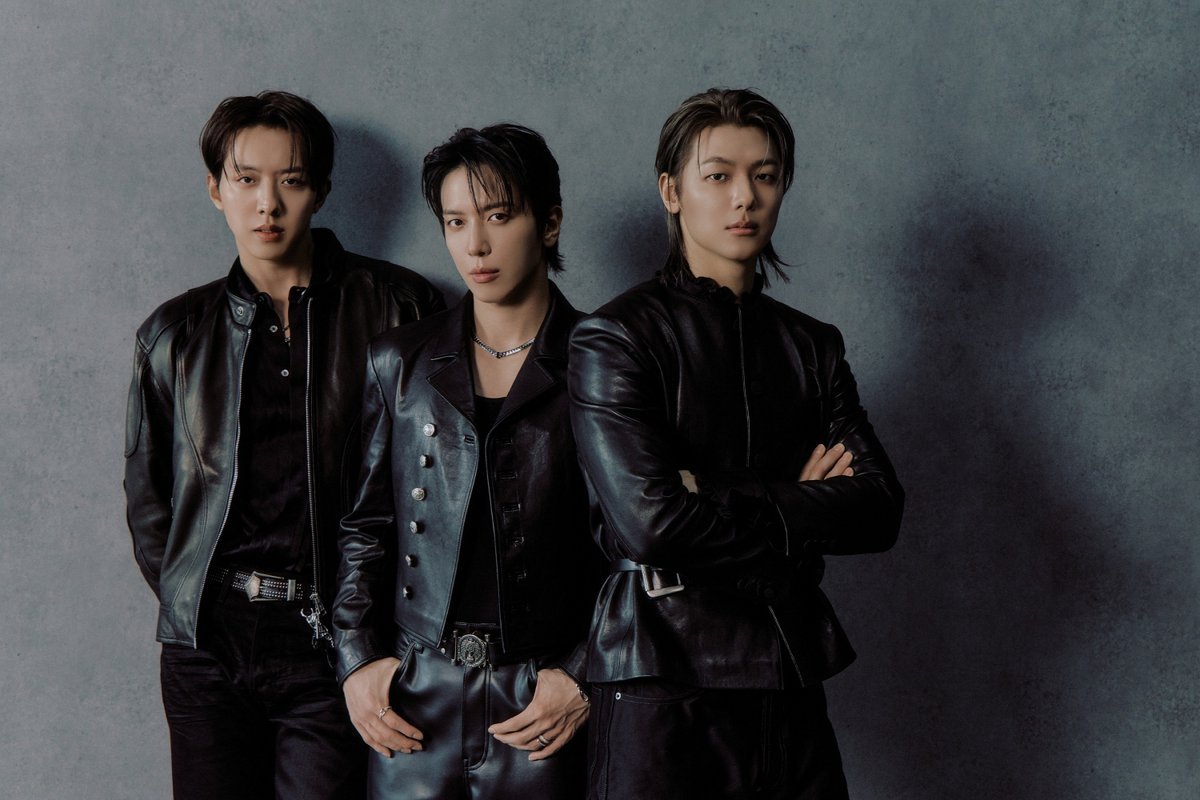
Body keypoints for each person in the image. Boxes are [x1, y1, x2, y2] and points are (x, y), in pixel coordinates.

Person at [568, 88, 905, 799]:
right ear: (671, 191)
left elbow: (879, 509)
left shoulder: (812, 345)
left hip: (788, 672)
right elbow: (651, 524)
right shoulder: (616, 338)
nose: (745, 197)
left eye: (765, 175)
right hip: (661, 682)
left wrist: (712, 491)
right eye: (718, 175)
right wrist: (801, 504)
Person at [123, 90, 444, 799]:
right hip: (208, 648)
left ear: (321, 191)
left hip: (338, 641)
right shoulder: (172, 336)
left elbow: (431, 486)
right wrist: (198, 604)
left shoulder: (401, 307)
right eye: (246, 180)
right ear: (217, 190)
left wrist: (369, 634)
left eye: (291, 181)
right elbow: (150, 503)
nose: (267, 204)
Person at [332, 123, 602, 799]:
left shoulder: (603, 363)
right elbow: (366, 526)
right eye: (456, 222)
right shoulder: (400, 360)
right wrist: (357, 660)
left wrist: (584, 672)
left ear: (549, 222)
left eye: (499, 216)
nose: (475, 244)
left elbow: (633, 547)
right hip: (416, 691)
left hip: (540, 695)